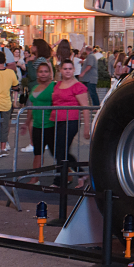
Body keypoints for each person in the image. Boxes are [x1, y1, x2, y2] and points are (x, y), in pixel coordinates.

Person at [51, 60, 91, 188]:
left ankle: (59, 181)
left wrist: (87, 127)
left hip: (71, 121)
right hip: (57, 121)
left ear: (74, 70)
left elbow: (85, 107)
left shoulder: (78, 86)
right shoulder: (57, 85)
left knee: (61, 151)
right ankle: (80, 173)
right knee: (60, 151)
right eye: (65, 68)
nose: (67, 71)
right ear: (61, 70)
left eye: (69, 68)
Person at [26, 61, 56, 186]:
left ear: (50, 73)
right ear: (37, 74)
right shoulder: (34, 88)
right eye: (41, 71)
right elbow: (31, 107)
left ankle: (69, 174)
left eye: (46, 71)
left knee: (57, 154)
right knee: (37, 152)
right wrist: (27, 123)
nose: (43, 74)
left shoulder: (54, 86)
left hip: (51, 125)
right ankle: (35, 178)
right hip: (37, 125)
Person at [21, 40, 52, 153]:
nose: (31, 47)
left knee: (32, 117)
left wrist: (29, 62)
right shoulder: (42, 59)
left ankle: (34, 143)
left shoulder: (39, 60)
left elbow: (34, 75)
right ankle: (41, 142)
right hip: (37, 89)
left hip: (36, 90)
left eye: (33, 45)